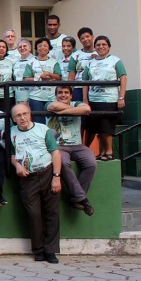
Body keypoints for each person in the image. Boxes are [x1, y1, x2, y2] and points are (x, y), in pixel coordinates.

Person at [10, 103, 62, 264]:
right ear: (13, 119)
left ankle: (51, 251)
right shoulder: (11, 133)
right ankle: (38, 250)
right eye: (18, 115)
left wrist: (56, 176)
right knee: (34, 214)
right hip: (28, 178)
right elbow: (12, 154)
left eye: (25, 113)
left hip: (47, 173)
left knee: (51, 213)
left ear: (30, 114)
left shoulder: (43, 130)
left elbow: (55, 152)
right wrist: (17, 165)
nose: (22, 117)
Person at [47, 86, 96, 215]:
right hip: (59, 146)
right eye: (60, 93)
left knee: (91, 163)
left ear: (71, 96)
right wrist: (75, 111)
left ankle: (77, 198)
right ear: (56, 94)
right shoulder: (49, 102)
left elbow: (86, 109)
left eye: (66, 93)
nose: (63, 95)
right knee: (62, 163)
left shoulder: (77, 103)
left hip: (78, 145)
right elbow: (54, 108)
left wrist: (63, 112)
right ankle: (82, 199)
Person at [82, 35, 127, 161]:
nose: (101, 47)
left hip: (109, 99)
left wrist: (121, 97)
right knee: (95, 127)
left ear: (109, 47)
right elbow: (85, 82)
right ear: (94, 47)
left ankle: (109, 152)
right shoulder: (90, 63)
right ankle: (101, 152)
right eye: (98, 45)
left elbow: (123, 78)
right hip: (93, 99)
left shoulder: (115, 60)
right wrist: (85, 100)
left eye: (103, 44)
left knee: (106, 126)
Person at [25, 37, 61, 124]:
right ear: (36, 48)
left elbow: (59, 77)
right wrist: (39, 78)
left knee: (52, 122)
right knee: (38, 122)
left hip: (51, 96)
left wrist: (49, 74)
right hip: (35, 97)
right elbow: (26, 78)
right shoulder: (30, 62)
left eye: (45, 46)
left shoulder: (54, 62)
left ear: (49, 48)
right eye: (40, 46)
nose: (42, 48)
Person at [69, 27, 96, 102]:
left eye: (87, 36)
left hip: (95, 88)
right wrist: (70, 91)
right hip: (79, 88)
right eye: (82, 38)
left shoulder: (99, 53)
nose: (85, 39)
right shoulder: (75, 55)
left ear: (92, 37)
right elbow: (71, 77)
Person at [13, 38, 36, 105]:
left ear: (30, 48)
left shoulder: (35, 60)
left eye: (25, 46)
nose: (22, 48)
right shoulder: (16, 62)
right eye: (20, 47)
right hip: (19, 96)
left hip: (32, 96)